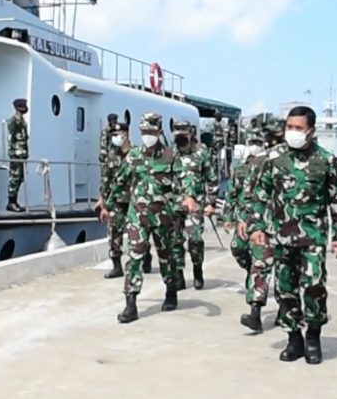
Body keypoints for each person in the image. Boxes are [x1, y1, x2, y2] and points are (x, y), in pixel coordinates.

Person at [249, 106, 337, 364]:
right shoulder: (273, 158)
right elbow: (260, 195)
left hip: (313, 237)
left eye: (298, 128)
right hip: (281, 236)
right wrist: (257, 227)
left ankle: (313, 335)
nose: (292, 132)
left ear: (311, 131)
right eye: (289, 127)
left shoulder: (325, 160)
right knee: (285, 288)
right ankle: (294, 338)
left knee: (314, 286)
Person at [104, 112, 184, 322]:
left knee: (166, 257)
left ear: (159, 132)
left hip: (163, 218)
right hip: (137, 217)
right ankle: (131, 304)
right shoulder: (134, 156)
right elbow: (119, 182)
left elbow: (182, 185)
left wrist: (183, 205)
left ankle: (171, 291)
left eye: (150, 131)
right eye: (143, 132)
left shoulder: (170, 156)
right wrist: (109, 205)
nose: (147, 135)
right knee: (135, 258)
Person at [237, 119, 285, 334]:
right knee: (260, 266)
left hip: (290, 226)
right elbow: (248, 192)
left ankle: (285, 311)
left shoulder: (297, 161)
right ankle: (255, 312)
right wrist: (244, 219)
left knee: (286, 271)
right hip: (263, 223)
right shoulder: (259, 161)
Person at [172, 119, 217, 290]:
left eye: (183, 135)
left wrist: (211, 203)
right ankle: (179, 275)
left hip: (196, 206)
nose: (180, 138)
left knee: (195, 240)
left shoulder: (201, 153)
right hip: (175, 205)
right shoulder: (171, 154)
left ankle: (197, 269)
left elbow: (211, 179)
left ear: (191, 134)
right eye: (177, 135)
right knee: (175, 241)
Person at [223, 132, 265, 277]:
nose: (255, 147)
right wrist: (228, 217)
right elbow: (232, 194)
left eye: (258, 144)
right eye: (252, 143)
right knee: (237, 249)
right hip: (244, 217)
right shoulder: (240, 169)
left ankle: (255, 278)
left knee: (259, 252)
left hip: (262, 218)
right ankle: (249, 268)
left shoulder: (267, 166)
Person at [94, 122, 131, 279]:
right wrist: (102, 200)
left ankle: (145, 258)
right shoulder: (111, 155)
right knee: (114, 231)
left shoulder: (136, 154)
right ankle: (117, 266)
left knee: (139, 231)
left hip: (135, 199)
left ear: (126, 134)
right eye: (113, 136)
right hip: (116, 200)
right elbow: (106, 180)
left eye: (119, 135)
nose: (116, 138)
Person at [5, 98, 29, 212]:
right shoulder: (13, 122)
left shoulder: (23, 122)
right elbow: (11, 140)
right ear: (19, 107)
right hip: (16, 156)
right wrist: (14, 154)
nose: (25, 108)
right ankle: (11, 203)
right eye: (23, 106)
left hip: (22, 156)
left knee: (20, 178)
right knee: (14, 178)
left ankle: (15, 201)